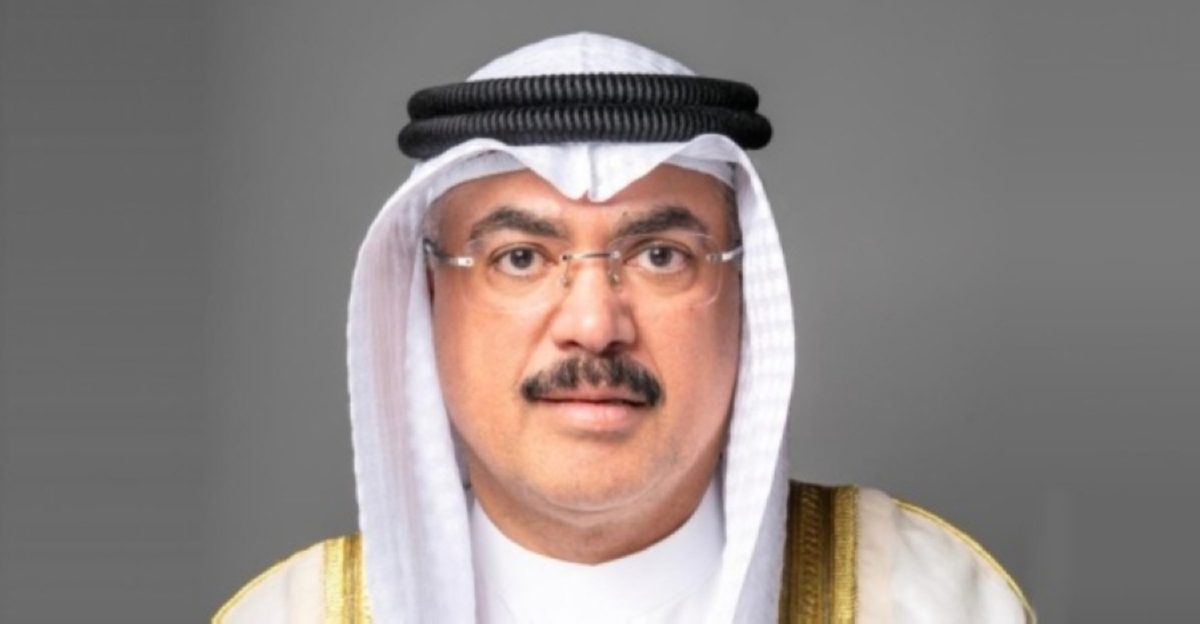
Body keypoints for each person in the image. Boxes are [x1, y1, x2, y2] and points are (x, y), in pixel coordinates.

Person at [214, 33, 1034, 623]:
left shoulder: (926, 599)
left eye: (661, 256)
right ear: (427, 299)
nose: (593, 325)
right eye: (520, 258)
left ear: (745, 295)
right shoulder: (287, 616)